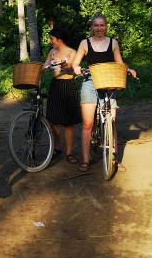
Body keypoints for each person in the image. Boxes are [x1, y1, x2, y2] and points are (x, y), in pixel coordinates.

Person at [71, 14, 137, 172]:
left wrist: (128, 70)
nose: (99, 28)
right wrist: (76, 68)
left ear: (106, 26)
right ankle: (85, 160)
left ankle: (114, 157)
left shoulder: (113, 42)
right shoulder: (85, 43)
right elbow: (76, 63)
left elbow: (119, 62)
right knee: (87, 124)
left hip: (109, 83)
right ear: (92, 27)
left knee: (112, 121)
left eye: (102, 25)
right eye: (96, 25)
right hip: (90, 82)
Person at [43, 26, 81, 159]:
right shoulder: (52, 51)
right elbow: (45, 66)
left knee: (69, 123)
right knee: (51, 119)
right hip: (55, 86)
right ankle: (58, 145)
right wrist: (43, 67)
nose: (50, 41)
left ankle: (69, 152)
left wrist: (62, 63)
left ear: (59, 40)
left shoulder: (72, 52)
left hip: (68, 85)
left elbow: (71, 65)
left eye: (52, 38)